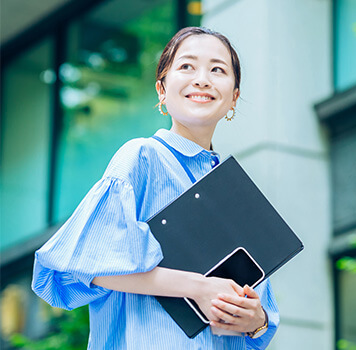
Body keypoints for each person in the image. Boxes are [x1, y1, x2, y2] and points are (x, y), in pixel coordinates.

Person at [32, 27, 279, 349]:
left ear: (234, 96)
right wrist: (199, 288)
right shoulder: (142, 157)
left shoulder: (235, 192)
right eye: (187, 66)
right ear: (162, 89)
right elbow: (80, 266)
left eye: (217, 69)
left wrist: (254, 321)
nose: (202, 79)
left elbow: (259, 314)